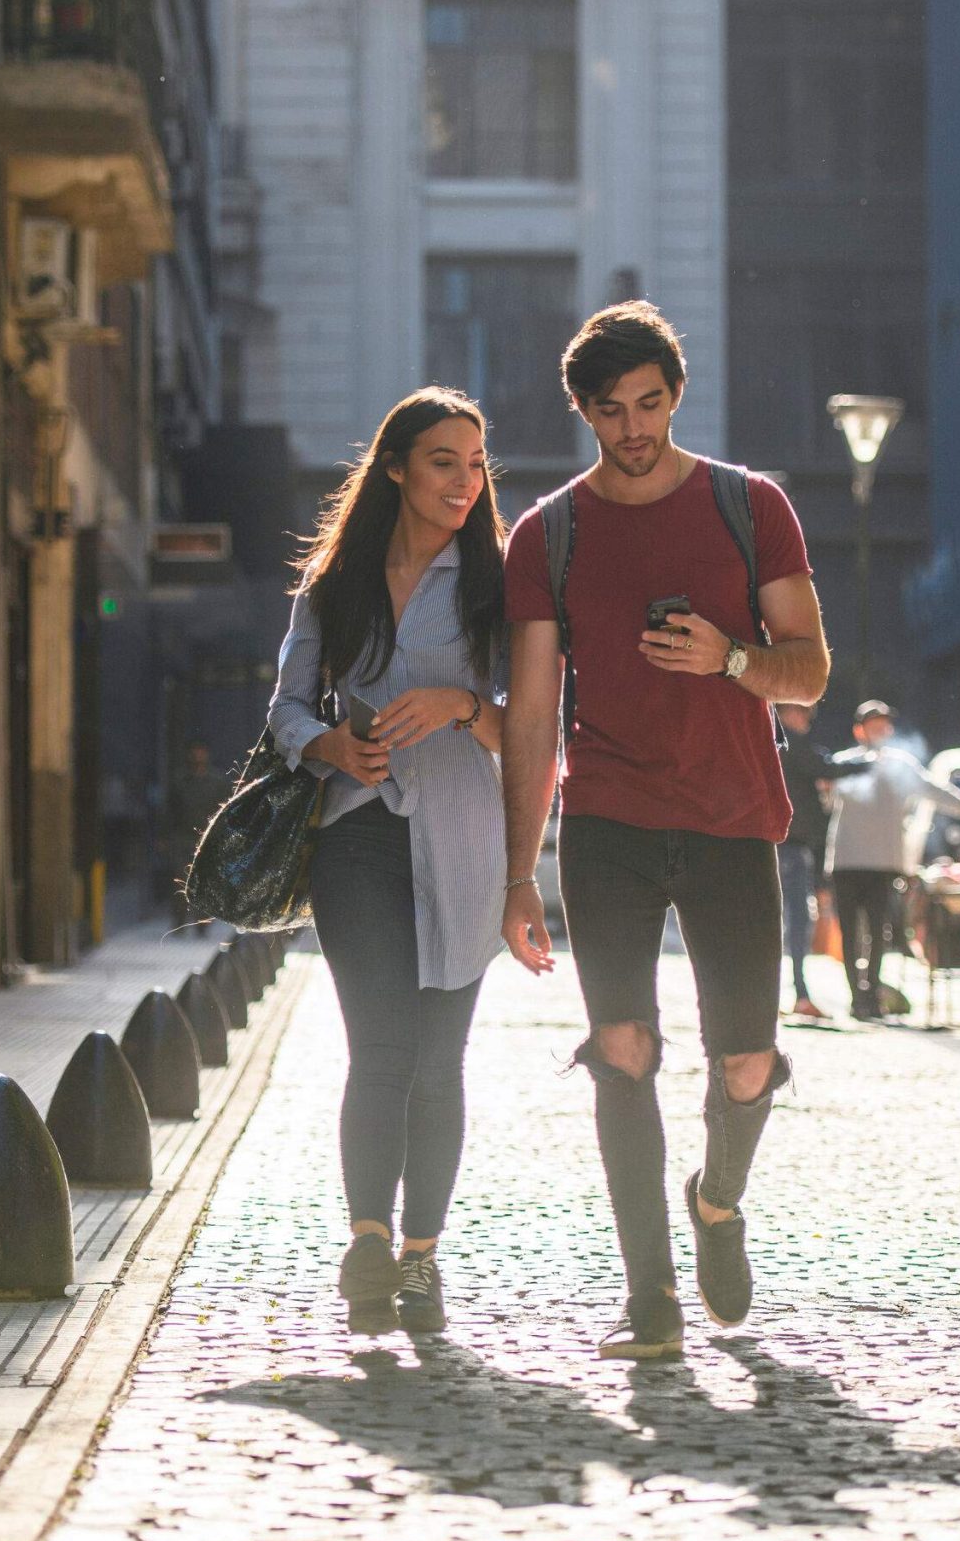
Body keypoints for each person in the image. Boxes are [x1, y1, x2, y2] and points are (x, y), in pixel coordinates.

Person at [500, 301, 830, 1361]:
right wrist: (519, 873)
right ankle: (650, 1298)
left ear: (676, 395)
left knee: (745, 1062)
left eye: (649, 403)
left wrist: (729, 660)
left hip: (735, 815)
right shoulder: (545, 535)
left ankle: (717, 1202)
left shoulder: (750, 506)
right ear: (583, 411)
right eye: (611, 410)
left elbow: (811, 668)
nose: (633, 426)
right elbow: (533, 712)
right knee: (622, 1049)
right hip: (609, 819)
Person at [269, 387, 510, 1337]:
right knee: (383, 1045)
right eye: (443, 460)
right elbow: (286, 708)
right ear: (399, 468)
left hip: (461, 833)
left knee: (440, 1058)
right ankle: (368, 1241)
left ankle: (421, 1260)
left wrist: (456, 703)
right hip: (357, 828)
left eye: (476, 462)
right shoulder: (337, 582)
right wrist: (332, 747)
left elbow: (531, 732)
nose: (464, 480)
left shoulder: (498, 584)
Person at [822, 701, 960, 1021]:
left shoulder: (901, 764)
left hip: (883, 862)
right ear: (859, 730)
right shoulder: (842, 763)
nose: (880, 731)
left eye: (884, 725)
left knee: (879, 932)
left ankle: (872, 993)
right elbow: (824, 800)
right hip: (846, 860)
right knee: (850, 932)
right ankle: (856, 997)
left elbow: (938, 792)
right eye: (873, 724)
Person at [776, 702, 835, 1019]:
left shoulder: (780, 744)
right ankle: (797, 995)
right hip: (788, 846)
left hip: (786, 845)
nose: (806, 721)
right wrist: (869, 764)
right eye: (800, 713)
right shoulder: (791, 744)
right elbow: (828, 769)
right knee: (794, 921)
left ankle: (790, 995)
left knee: (789, 922)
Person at [164, 741, 232, 923]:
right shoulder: (180, 781)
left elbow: (224, 811)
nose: (198, 756)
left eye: (201, 752)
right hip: (182, 837)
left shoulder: (217, 782)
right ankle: (179, 919)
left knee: (205, 879)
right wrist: (165, 836)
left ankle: (202, 921)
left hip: (208, 838)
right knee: (180, 877)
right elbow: (170, 810)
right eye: (195, 752)